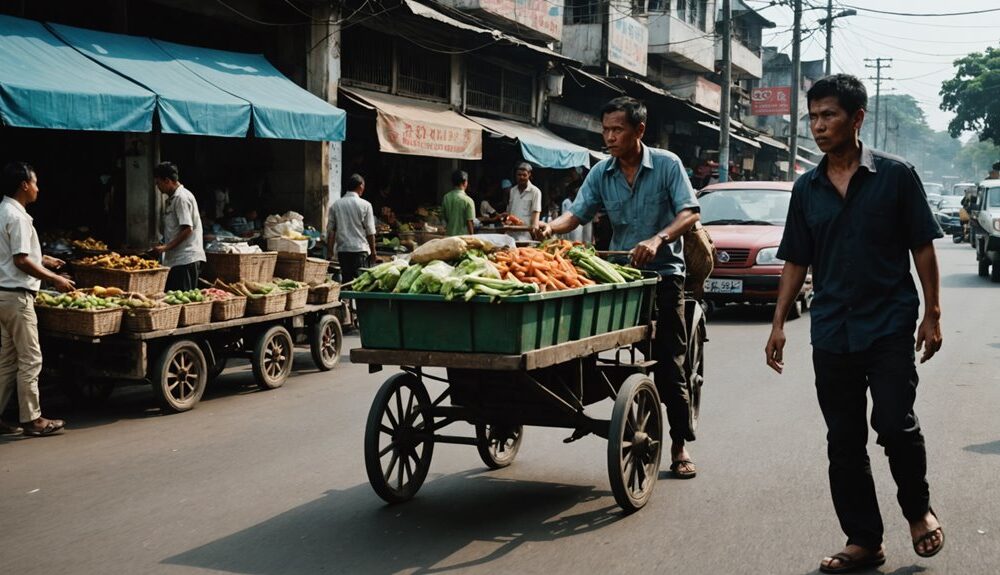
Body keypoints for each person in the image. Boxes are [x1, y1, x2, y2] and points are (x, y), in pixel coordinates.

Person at [763, 74, 945, 573]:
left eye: (829, 116)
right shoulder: (808, 187)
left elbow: (922, 246)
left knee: (893, 423)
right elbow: (796, 260)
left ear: (857, 118)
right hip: (831, 328)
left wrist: (932, 313)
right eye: (813, 117)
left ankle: (917, 511)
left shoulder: (896, 175)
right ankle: (864, 539)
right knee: (843, 439)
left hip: (887, 322)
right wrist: (778, 323)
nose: (818, 127)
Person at [533, 96, 701, 479]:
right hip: (621, 276)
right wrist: (550, 227)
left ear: (639, 131)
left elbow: (689, 212)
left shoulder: (667, 165)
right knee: (582, 343)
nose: (609, 137)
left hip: (663, 275)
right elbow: (578, 213)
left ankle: (679, 443)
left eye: (617, 130)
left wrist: (658, 239)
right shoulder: (602, 172)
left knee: (669, 362)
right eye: (605, 129)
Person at [0, 162, 75, 437]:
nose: (37, 188)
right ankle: (33, 420)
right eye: (35, 182)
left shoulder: (3, 210)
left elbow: (15, 253)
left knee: (7, 361)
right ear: (24, 185)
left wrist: (45, 259)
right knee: (30, 359)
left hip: (3, 296)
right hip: (18, 298)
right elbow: (20, 261)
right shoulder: (17, 217)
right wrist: (54, 279)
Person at [152, 162, 205, 292]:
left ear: (167, 180)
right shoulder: (173, 199)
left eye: (158, 183)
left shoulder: (182, 198)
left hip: (185, 259)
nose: (157, 187)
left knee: (183, 302)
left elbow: (187, 229)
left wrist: (165, 247)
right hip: (176, 260)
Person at [328, 174, 376, 285]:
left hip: (343, 251)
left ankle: (346, 302)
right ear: (360, 186)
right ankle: (356, 303)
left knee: (346, 282)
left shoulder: (336, 205)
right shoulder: (366, 205)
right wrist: (373, 252)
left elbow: (331, 231)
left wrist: (330, 251)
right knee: (360, 283)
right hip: (360, 250)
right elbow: (370, 231)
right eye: (363, 185)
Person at [506, 163, 542, 242]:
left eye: (524, 175)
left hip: (525, 236)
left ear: (529, 175)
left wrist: (534, 234)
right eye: (519, 175)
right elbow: (509, 214)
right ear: (515, 175)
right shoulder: (512, 191)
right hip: (511, 234)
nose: (521, 177)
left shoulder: (535, 192)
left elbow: (535, 217)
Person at [441, 170, 475, 236]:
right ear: (465, 182)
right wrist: (472, 237)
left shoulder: (446, 197)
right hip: (463, 239)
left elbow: (443, 218)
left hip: (448, 237)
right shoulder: (468, 200)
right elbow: (470, 222)